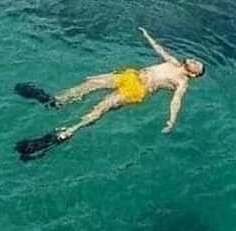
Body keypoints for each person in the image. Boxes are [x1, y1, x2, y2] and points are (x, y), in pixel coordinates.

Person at [14, 27, 206, 161]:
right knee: (91, 82)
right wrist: (146, 35)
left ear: (192, 73)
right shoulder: (173, 62)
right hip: (130, 75)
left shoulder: (182, 81)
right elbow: (159, 49)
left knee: (102, 107)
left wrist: (171, 120)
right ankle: (57, 101)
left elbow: (176, 101)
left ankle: (70, 130)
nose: (195, 60)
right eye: (196, 60)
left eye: (197, 65)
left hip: (136, 90)